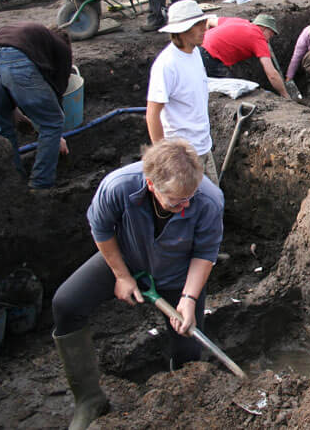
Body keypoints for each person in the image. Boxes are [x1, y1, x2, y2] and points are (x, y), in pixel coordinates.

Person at [51, 138, 224, 429]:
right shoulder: (118, 186)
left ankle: (180, 402)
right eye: (176, 201)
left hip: (178, 274)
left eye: (190, 198)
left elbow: (205, 253)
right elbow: (101, 228)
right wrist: (121, 275)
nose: (185, 207)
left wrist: (189, 299)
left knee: (188, 348)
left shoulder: (208, 199)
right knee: (66, 304)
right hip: (125, 258)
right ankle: (89, 400)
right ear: (152, 185)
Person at [0, 23, 72, 189]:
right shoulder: (61, 45)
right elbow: (58, 87)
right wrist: (56, 134)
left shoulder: (20, 34)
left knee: (3, 126)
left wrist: (15, 112)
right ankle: (41, 184)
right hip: (15, 60)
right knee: (52, 123)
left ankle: (13, 181)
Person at [146, 0, 218, 180]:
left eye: (204, 23)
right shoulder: (167, 64)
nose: (205, 28)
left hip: (203, 146)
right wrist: (163, 157)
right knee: (188, 205)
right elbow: (152, 113)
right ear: (183, 30)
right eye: (198, 25)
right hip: (182, 156)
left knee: (213, 202)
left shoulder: (194, 53)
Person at [200, 13, 290, 99]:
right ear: (264, 28)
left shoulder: (238, 21)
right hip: (209, 57)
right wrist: (285, 95)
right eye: (271, 34)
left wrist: (209, 40)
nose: (269, 39)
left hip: (196, 50)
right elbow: (272, 74)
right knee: (234, 90)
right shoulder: (258, 38)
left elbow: (209, 21)